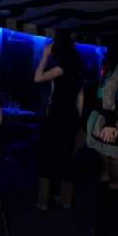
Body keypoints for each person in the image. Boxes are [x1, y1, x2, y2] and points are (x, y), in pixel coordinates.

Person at [86, 40, 118, 236]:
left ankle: (100, 222)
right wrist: (110, 120)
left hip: (102, 122)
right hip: (116, 126)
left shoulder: (111, 66)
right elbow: (109, 90)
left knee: (107, 172)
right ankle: (106, 224)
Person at [34, 34, 84, 211]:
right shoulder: (77, 68)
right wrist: (78, 120)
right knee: (68, 158)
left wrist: (44, 56)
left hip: (56, 116)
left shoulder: (61, 68)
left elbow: (37, 78)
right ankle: (66, 200)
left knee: (46, 157)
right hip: (71, 117)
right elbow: (80, 96)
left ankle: (43, 202)